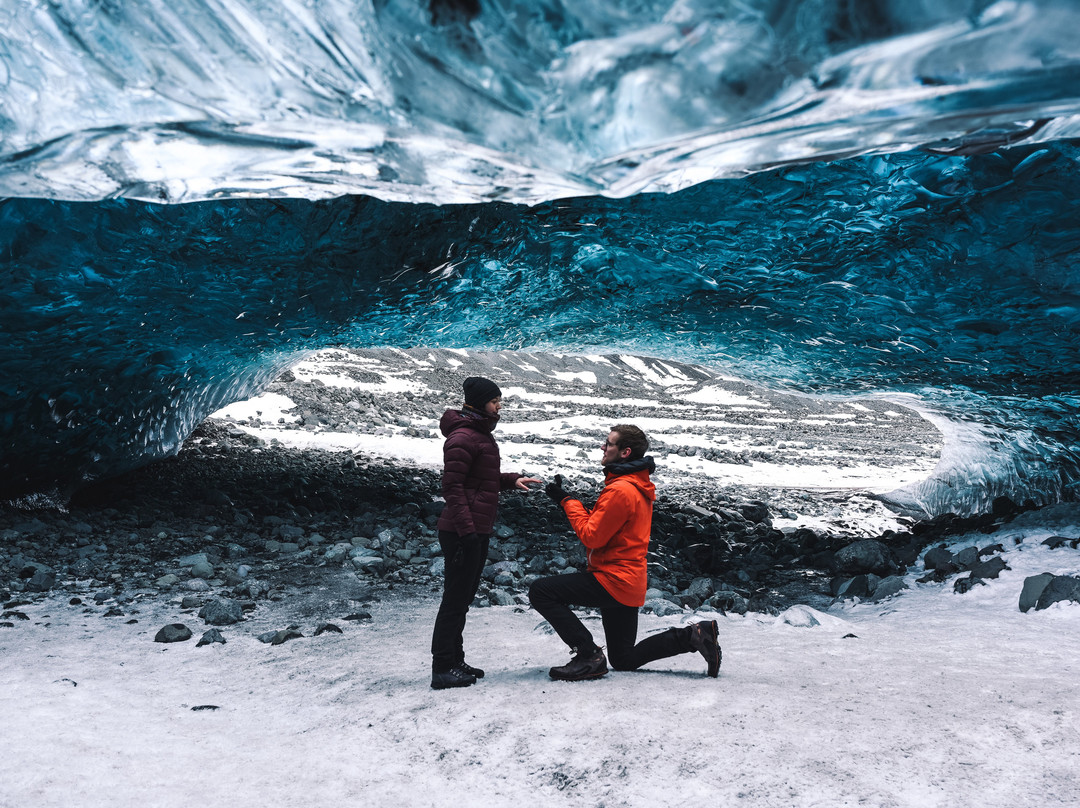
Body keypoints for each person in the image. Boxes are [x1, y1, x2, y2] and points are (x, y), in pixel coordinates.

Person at [529, 424, 721, 681]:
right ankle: (694, 635)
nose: (602, 447)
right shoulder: (637, 486)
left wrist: (568, 503)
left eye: (608, 443)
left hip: (612, 579)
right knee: (623, 659)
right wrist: (566, 498)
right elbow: (603, 525)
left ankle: (588, 655)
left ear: (625, 452)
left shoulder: (620, 489)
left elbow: (591, 536)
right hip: (629, 581)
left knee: (540, 591)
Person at [431, 376, 541, 690]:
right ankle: (442, 667)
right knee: (454, 600)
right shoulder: (463, 437)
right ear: (480, 404)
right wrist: (468, 533)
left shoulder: (478, 434)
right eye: (495, 402)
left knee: (463, 598)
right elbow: (452, 488)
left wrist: (511, 480)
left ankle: (455, 660)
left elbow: (481, 478)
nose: (499, 408)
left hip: (473, 528)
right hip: (462, 531)